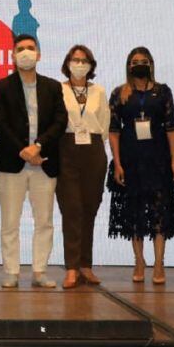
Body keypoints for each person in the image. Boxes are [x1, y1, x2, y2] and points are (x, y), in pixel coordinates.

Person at [0, 33, 67, 288]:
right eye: (20, 49)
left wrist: (38, 146)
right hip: (12, 163)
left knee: (44, 221)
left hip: (44, 162)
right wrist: (22, 150)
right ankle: (11, 271)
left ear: (39, 54)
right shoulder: (2, 86)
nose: (26, 52)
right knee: (10, 222)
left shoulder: (53, 87)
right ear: (13, 56)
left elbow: (60, 121)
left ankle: (40, 271)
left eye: (30, 48)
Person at [107, 47, 174, 284]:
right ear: (128, 66)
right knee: (135, 213)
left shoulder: (163, 91)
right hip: (130, 158)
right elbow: (113, 131)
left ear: (151, 64)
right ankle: (139, 261)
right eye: (134, 61)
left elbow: (171, 127)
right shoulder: (120, 93)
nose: (138, 64)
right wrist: (117, 162)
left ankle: (159, 263)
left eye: (143, 60)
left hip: (158, 158)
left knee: (160, 211)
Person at [55, 45, 109, 289]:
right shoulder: (58, 89)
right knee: (71, 209)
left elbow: (104, 124)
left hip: (93, 150)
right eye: (75, 60)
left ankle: (86, 265)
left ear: (91, 65)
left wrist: (93, 141)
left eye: (84, 60)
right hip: (66, 149)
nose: (79, 64)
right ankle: (71, 267)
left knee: (89, 208)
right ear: (67, 63)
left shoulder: (99, 91)